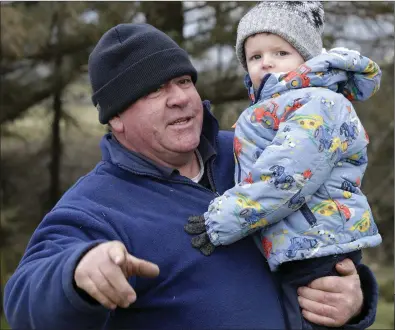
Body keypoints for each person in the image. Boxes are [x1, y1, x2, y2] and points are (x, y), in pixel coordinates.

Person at [3, 23, 379, 330]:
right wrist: (76, 273)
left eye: (184, 81)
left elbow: (327, 227)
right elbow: (23, 302)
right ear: (116, 118)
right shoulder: (97, 206)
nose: (180, 98)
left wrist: (354, 298)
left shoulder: (260, 153)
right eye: (154, 90)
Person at [184, 2, 382, 330]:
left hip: (316, 247)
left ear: (307, 57)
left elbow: (286, 177)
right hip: (295, 246)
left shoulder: (321, 103)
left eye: (280, 53)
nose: (267, 64)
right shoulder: (272, 109)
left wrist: (221, 221)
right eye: (255, 57)